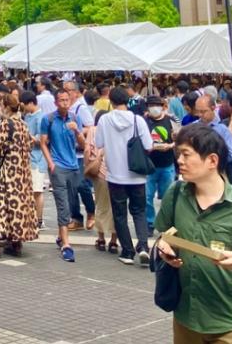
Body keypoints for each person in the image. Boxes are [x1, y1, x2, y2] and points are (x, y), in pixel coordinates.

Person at [155, 125, 232, 344]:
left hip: (231, 321)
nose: (179, 160)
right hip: (187, 318)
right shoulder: (176, 194)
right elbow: (164, 235)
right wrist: (164, 248)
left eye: (186, 154)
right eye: (178, 153)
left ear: (212, 160)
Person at [93, 87, 153, 266]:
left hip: (115, 176)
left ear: (110, 101)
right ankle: (143, 246)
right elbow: (148, 145)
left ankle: (127, 251)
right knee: (139, 211)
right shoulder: (138, 120)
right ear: (128, 100)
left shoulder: (104, 119)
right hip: (137, 175)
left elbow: (99, 143)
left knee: (119, 214)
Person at [0, 93, 38, 258]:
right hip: (23, 174)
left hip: (8, 174)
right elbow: (29, 143)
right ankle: (15, 242)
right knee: (16, 207)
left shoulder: (5, 124)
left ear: (6, 107)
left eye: (0, 105)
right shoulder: (22, 124)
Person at [40, 89, 86, 263]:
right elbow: (43, 142)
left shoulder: (75, 118)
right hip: (58, 167)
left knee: (72, 201)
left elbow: (82, 144)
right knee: (63, 205)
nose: (65, 103)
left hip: (74, 166)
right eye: (61, 100)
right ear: (56, 102)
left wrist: (77, 132)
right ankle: (66, 244)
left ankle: (61, 237)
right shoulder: (49, 119)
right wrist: (51, 163)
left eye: (67, 100)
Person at [63, 81, 95, 232]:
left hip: (80, 153)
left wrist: (78, 132)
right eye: (64, 90)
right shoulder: (65, 109)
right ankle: (76, 218)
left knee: (82, 185)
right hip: (67, 153)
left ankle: (91, 211)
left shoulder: (81, 109)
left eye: (69, 90)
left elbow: (91, 127)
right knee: (70, 187)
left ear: (76, 92)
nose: (66, 93)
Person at [144, 94, 177, 235]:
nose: (154, 109)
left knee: (167, 197)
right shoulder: (144, 122)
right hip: (149, 166)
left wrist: (170, 145)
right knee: (147, 196)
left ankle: (166, 224)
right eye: (151, 106)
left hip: (167, 165)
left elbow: (180, 138)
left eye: (156, 105)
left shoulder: (171, 120)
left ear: (162, 107)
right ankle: (149, 223)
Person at [21, 90, 48, 229]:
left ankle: (39, 219)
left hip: (38, 159)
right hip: (28, 158)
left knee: (37, 191)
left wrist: (29, 137)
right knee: (30, 190)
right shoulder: (28, 116)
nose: (24, 109)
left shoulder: (41, 117)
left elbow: (43, 139)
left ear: (31, 103)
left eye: (25, 105)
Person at [193, 95, 232, 161]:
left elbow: (229, 156)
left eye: (203, 111)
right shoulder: (193, 126)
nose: (200, 115)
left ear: (213, 108)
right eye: (198, 111)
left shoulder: (222, 129)